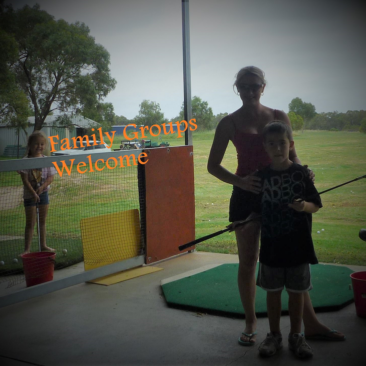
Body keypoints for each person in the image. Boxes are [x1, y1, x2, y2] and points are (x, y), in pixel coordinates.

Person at [207, 66, 345, 345]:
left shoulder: (279, 116)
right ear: (237, 89)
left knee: (292, 258)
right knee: (248, 262)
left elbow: (290, 153)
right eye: (243, 86)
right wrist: (241, 182)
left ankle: (311, 324)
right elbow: (213, 166)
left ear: (263, 87)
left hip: (282, 193)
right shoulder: (228, 123)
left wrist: (303, 173)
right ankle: (250, 322)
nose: (248, 91)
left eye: (253, 86)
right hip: (247, 197)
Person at [243, 122, 320, 358]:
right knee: (273, 292)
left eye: (283, 143)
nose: (278, 148)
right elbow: (256, 211)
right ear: (265, 147)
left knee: (297, 294)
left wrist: (302, 206)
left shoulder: (301, 174)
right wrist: (244, 221)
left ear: (291, 144)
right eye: (272, 144)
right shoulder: (261, 177)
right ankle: (274, 335)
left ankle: (297, 336)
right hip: (271, 247)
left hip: (298, 246)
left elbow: (315, 205)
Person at [18, 130, 57, 255]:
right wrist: (33, 193)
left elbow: (51, 177)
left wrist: (42, 188)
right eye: (36, 144)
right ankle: (27, 249)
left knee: (42, 221)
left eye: (42, 144)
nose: (39, 146)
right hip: (30, 196)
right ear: (30, 145)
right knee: (30, 222)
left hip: (43, 194)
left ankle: (43, 245)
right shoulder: (25, 160)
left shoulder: (47, 160)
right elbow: (24, 180)